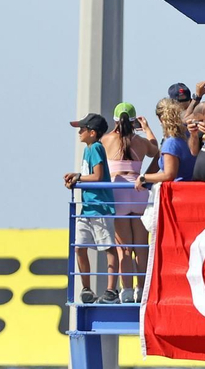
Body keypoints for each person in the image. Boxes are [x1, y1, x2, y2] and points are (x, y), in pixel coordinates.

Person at [100, 103, 156, 304]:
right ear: (134, 122)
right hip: (138, 191)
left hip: (118, 193)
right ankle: (142, 290)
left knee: (123, 248)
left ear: (116, 121)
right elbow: (155, 149)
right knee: (141, 246)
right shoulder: (140, 141)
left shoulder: (106, 139)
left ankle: (126, 291)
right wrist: (147, 127)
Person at [63, 113, 118, 304]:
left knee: (108, 248)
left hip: (99, 207)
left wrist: (78, 177)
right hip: (87, 207)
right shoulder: (89, 148)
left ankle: (111, 290)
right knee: (79, 247)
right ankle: (86, 288)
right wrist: (76, 179)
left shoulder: (95, 147)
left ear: (92, 133)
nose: (79, 132)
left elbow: (97, 176)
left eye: (82, 129)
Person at [137, 98, 194, 188]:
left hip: (178, 194)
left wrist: (143, 178)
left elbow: (169, 175)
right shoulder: (189, 135)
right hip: (192, 188)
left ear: (160, 119)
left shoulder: (171, 143)